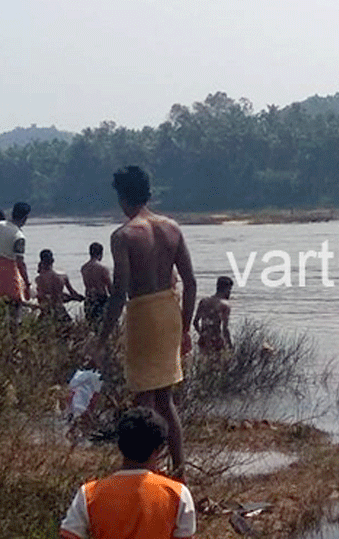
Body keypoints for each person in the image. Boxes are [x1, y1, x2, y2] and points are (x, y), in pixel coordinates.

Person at [97, 165, 196, 481]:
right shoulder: (171, 228)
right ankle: (178, 471)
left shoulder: (123, 236)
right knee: (165, 399)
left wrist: (101, 337)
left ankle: (146, 472)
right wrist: (184, 328)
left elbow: (119, 291)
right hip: (169, 309)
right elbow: (190, 282)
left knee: (143, 399)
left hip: (142, 312)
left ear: (122, 197)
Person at [59, 407, 196, 539]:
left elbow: (69, 534)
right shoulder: (177, 494)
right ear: (159, 449)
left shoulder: (90, 494)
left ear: (120, 445)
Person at [35, 249, 84, 324]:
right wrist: (79, 297)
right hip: (59, 309)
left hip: (46, 311)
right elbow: (72, 293)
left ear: (41, 262)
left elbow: (41, 297)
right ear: (53, 261)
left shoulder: (38, 280)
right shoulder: (63, 277)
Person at [193, 276, 233, 352]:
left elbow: (195, 322)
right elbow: (225, 329)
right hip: (217, 342)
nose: (230, 293)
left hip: (204, 341)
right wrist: (230, 346)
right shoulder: (225, 305)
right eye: (230, 290)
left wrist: (202, 334)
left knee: (203, 362)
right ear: (226, 289)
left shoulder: (204, 301)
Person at [81, 242, 112, 328]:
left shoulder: (84, 268)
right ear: (101, 253)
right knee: (103, 326)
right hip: (100, 300)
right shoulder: (103, 268)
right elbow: (109, 287)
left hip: (89, 300)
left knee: (91, 326)